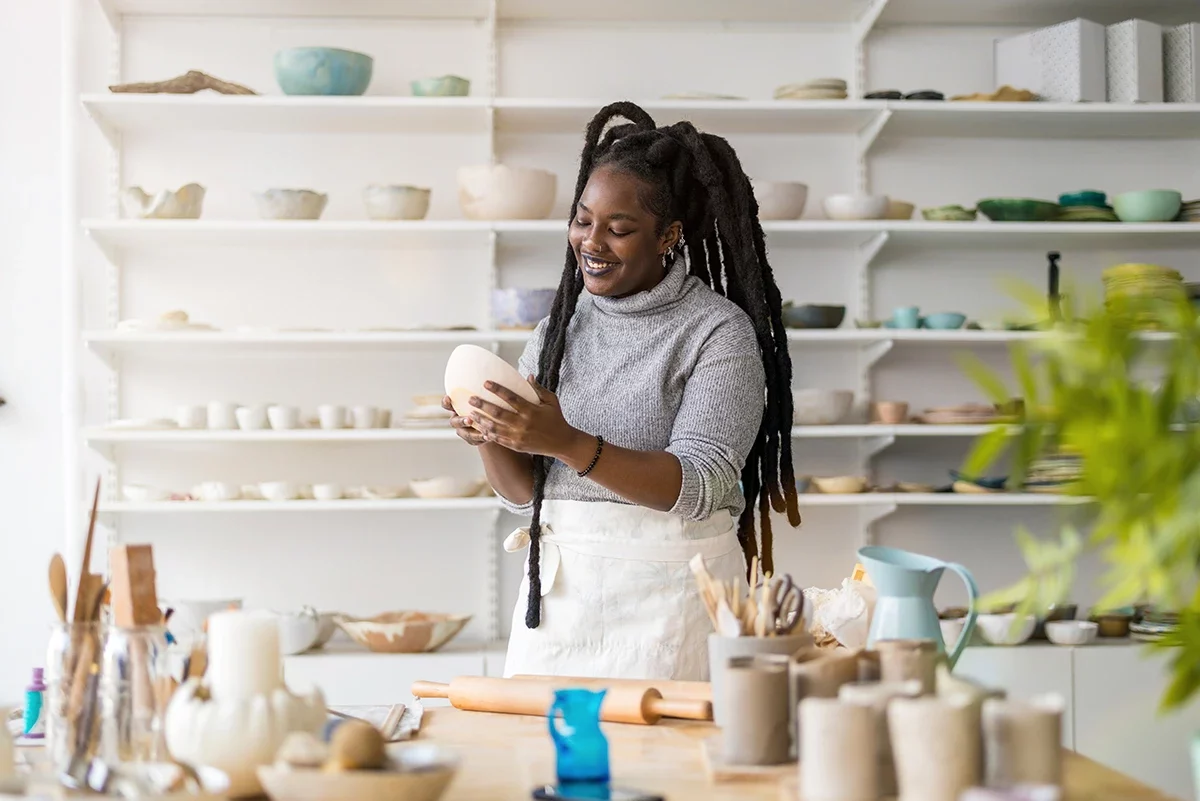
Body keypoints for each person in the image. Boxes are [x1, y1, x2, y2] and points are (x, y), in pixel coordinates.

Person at [442, 101, 800, 680]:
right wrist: (490, 432)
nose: (592, 241)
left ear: (669, 235)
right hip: (559, 611)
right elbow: (524, 495)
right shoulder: (559, 328)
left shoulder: (717, 332)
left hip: (673, 605)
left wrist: (564, 441)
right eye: (583, 220)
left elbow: (703, 485)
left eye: (619, 228)